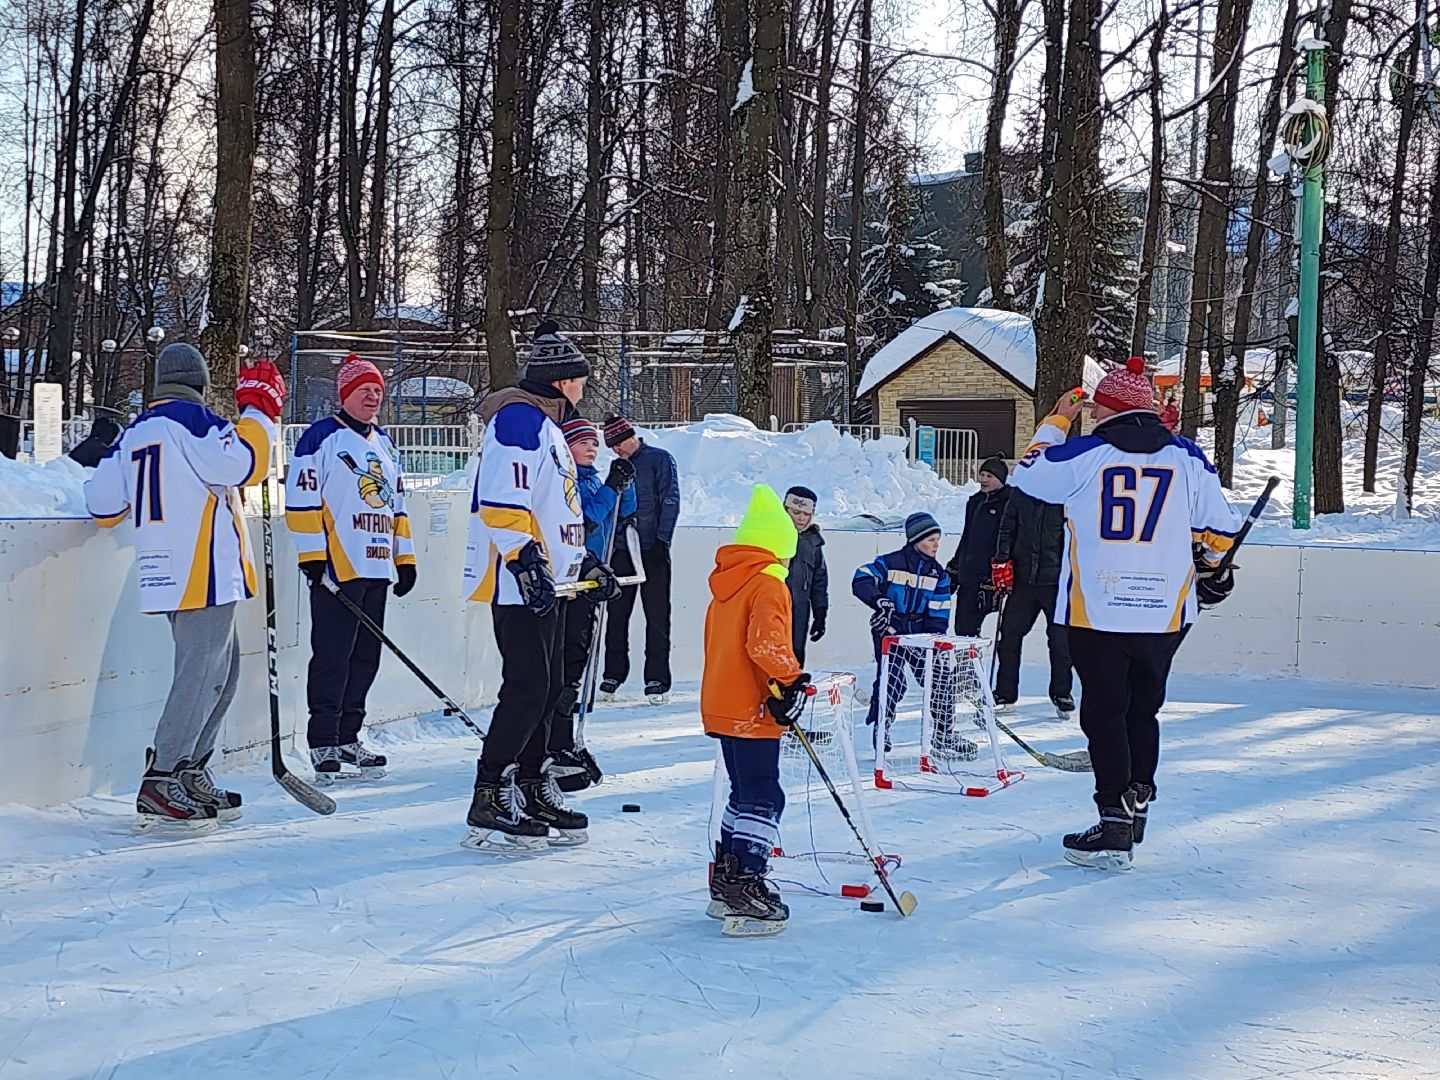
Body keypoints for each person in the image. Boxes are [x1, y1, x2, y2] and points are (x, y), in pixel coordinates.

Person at [1010, 357, 1242, 870]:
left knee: (1105, 709)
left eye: (1095, 409)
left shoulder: (1087, 453)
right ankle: (1138, 797)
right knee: (1143, 708)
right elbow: (1222, 531)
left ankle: (1113, 815)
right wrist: (1211, 567)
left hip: (1097, 607)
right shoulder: (1187, 457)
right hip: (1164, 613)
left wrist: (1058, 417)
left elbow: (1029, 473)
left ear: (1106, 411)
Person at [83, 343, 286, 833]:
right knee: (201, 676)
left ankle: (190, 767)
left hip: (162, 566)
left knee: (223, 672)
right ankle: (164, 775)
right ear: (199, 384)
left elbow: (103, 503)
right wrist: (259, 412)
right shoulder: (195, 422)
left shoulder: (135, 434)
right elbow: (247, 465)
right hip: (205, 567)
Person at [461, 321, 620, 853]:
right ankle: (489, 791)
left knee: (549, 689)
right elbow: (503, 499)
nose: (582, 388)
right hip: (520, 583)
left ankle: (531, 786)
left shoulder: (550, 429)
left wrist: (585, 564)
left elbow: (556, 512)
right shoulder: (519, 422)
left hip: (553, 582)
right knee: (528, 689)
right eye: (577, 379)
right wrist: (525, 560)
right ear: (559, 381)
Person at [285, 355, 417, 785]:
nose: (373, 396)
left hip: (377, 564)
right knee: (332, 655)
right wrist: (311, 554)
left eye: (378, 390)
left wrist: (406, 559)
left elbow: (398, 506)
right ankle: (322, 740)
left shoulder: (386, 445)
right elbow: (302, 501)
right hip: (338, 568)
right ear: (345, 394)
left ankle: (348, 735)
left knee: (366, 656)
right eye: (364, 389)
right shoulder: (321, 438)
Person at [701, 483, 810, 936]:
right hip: (752, 707)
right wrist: (791, 682)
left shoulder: (728, 583)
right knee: (765, 796)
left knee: (742, 793)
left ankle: (724, 879)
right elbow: (768, 644)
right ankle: (744, 882)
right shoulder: (768, 584)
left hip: (723, 704)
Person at [546, 416, 636, 791]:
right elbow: (587, 520)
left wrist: (625, 482)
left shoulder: (593, 480)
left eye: (594, 443)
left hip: (593, 577)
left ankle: (564, 738)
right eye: (583, 443)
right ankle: (556, 738)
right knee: (567, 661)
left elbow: (620, 511)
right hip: (572, 580)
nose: (592, 448)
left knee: (579, 658)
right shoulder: (566, 484)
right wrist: (611, 490)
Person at [852, 513, 971, 758]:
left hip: (920, 634)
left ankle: (944, 732)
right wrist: (880, 601)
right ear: (915, 539)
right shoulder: (890, 562)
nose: (936, 545)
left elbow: (939, 613)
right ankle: (881, 727)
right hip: (889, 631)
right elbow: (861, 578)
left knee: (938, 680)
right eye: (930, 540)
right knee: (892, 682)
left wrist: (933, 639)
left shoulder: (939, 575)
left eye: (938, 539)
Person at [599, 413, 679, 704]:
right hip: (623, 548)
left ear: (630, 438)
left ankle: (657, 678)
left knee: (657, 615)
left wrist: (662, 539)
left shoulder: (660, 460)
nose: (615, 451)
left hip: (652, 547)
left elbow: (670, 500)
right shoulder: (617, 466)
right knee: (617, 614)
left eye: (618, 445)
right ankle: (613, 673)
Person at [990, 488, 1074, 716]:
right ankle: (1005, 693)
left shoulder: (1066, 493)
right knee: (1009, 636)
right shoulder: (1021, 493)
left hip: (1056, 581)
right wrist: (1001, 560)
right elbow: (1007, 528)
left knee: (1060, 641)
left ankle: (1062, 693)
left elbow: (1077, 537)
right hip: (1022, 579)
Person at [945, 456, 1010, 635]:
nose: (983, 479)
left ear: (1001, 479)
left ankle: (978, 661)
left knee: (987, 631)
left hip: (991, 578)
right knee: (962, 630)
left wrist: (995, 577)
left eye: (989, 475)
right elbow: (967, 538)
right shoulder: (975, 502)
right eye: (982, 474)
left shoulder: (1010, 503)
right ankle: (966, 664)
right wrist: (955, 567)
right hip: (969, 575)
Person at [782, 485, 828, 666]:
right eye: (796, 512)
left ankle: (791, 692)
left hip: (800, 609)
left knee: (795, 653)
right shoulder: (771, 535)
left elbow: (819, 581)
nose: (801, 518)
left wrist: (820, 614)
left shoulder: (813, 542)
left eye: (806, 514)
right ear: (785, 509)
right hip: (773, 606)